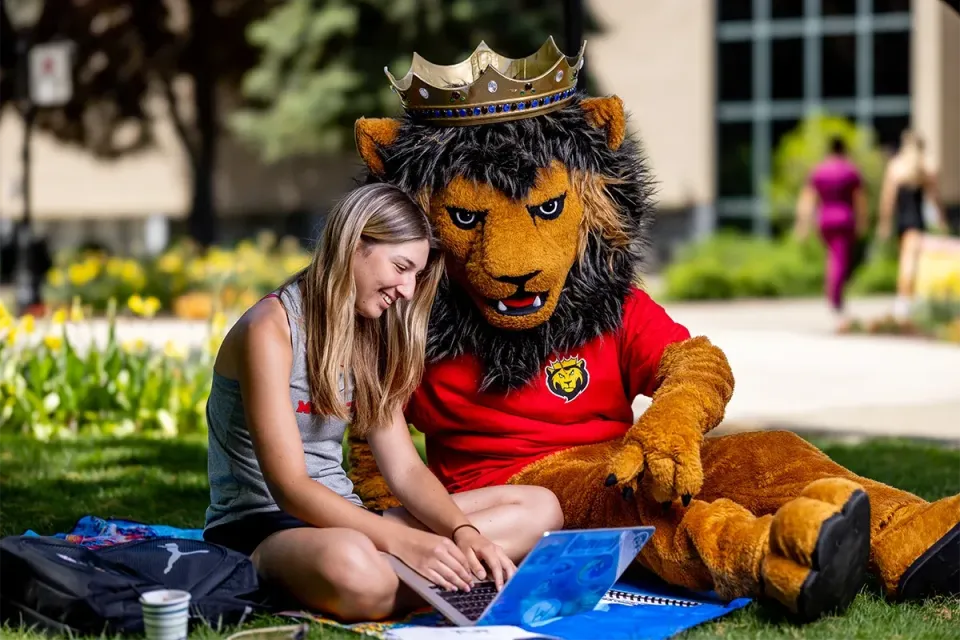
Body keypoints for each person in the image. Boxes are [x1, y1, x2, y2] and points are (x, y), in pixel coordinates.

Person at [202, 183, 564, 621]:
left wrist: (462, 532)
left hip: (347, 522)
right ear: (355, 246)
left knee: (540, 508)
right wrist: (406, 542)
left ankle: (449, 569)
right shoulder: (269, 329)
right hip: (263, 529)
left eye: (416, 274)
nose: (408, 289)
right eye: (401, 267)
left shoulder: (368, 334)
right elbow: (290, 488)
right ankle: (463, 578)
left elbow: (406, 469)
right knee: (356, 568)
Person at [794, 136, 869, 329]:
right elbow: (859, 198)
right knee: (840, 260)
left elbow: (808, 197)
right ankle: (834, 298)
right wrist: (862, 221)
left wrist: (803, 223)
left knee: (833, 257)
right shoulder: (851, 170)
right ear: (844, 150)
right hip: (844, 219)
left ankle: (833, 295)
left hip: (825, 220)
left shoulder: (819, 170)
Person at [877, 129, 950, 320]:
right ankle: (906, 301)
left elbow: (888, 199)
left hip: (902, 221)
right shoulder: (924, 169)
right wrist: (942, 219)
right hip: (916, 221)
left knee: (907, 260)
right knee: (911, 262)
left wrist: (884, 223)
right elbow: (935, 198)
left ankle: (905, 302)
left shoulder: (896, 167)